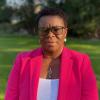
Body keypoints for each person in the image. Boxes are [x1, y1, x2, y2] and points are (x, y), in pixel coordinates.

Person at [5, 7, 99, 100]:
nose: (50, 35)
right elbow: (11, 97)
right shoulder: (23, 61)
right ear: (38, 32)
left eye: (56, 30)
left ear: (65, 32)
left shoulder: (81, 63)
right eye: (44, 30)